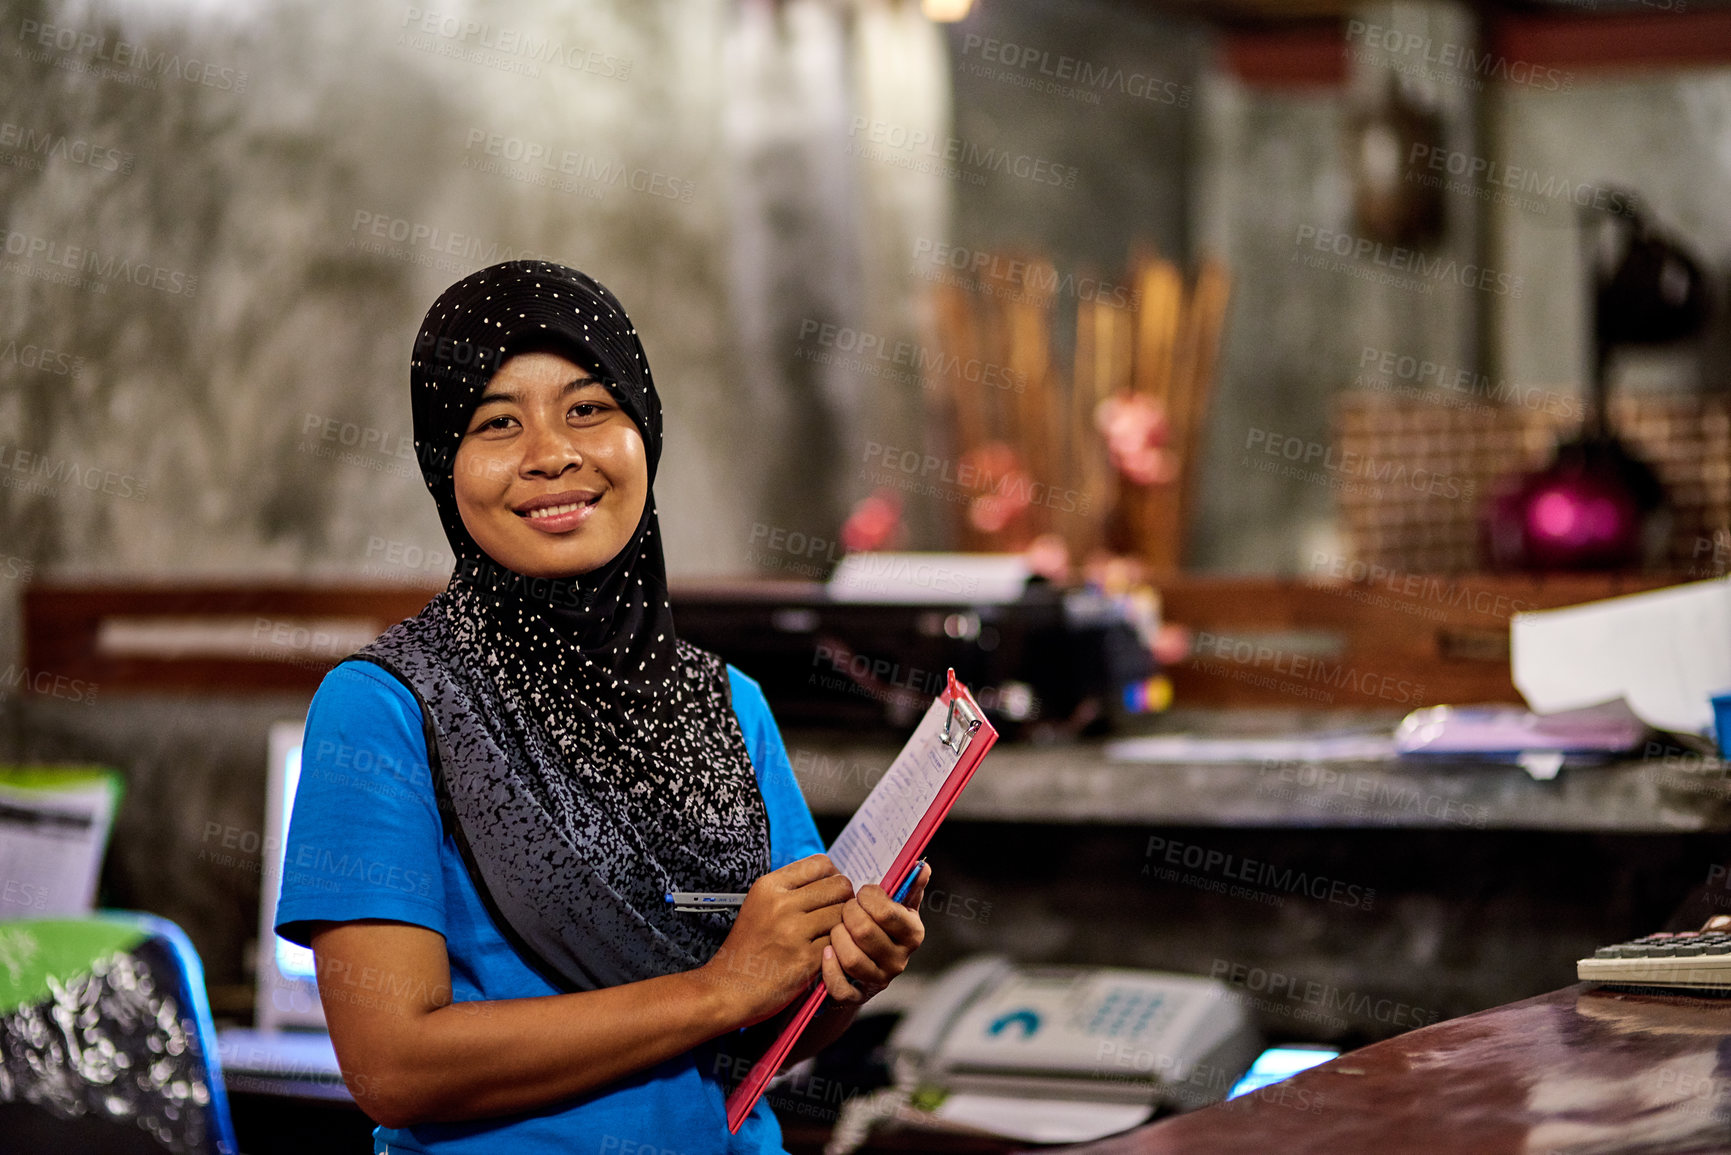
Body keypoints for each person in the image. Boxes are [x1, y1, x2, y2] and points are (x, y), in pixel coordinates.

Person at [275, 260, 931, 1154]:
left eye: (588, 408)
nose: (551, 453)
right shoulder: (388, 706)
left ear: (643, 430)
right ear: (444, 464)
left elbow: (756, 1034)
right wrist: (718, 988)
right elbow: (392, 1065)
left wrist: (846, 975)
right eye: (497, 421)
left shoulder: (725, 703)